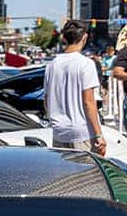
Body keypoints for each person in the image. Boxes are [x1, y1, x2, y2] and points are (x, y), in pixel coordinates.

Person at [43, 19, 107, 155]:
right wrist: (98, 135)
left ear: (64, 38)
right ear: (84, 38)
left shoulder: (52, 65)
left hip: (59, 131)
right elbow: (88, 102)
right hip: (82, 132)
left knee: (65, 174)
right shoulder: (86, 64)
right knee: (86, 174)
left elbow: (47, 101)